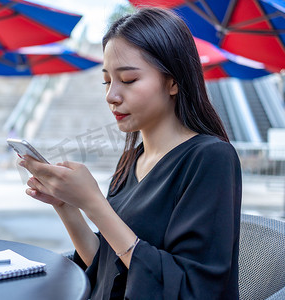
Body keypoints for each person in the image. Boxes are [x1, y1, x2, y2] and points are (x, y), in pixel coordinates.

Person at [19, 7, 242, 300]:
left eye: (128, 80)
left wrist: (95, 204)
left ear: (173, 82)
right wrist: (67, 205)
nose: (111, 95)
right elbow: (110, 265)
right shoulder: (133, 159)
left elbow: (192, 289)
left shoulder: (210, 159)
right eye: (107, 81)